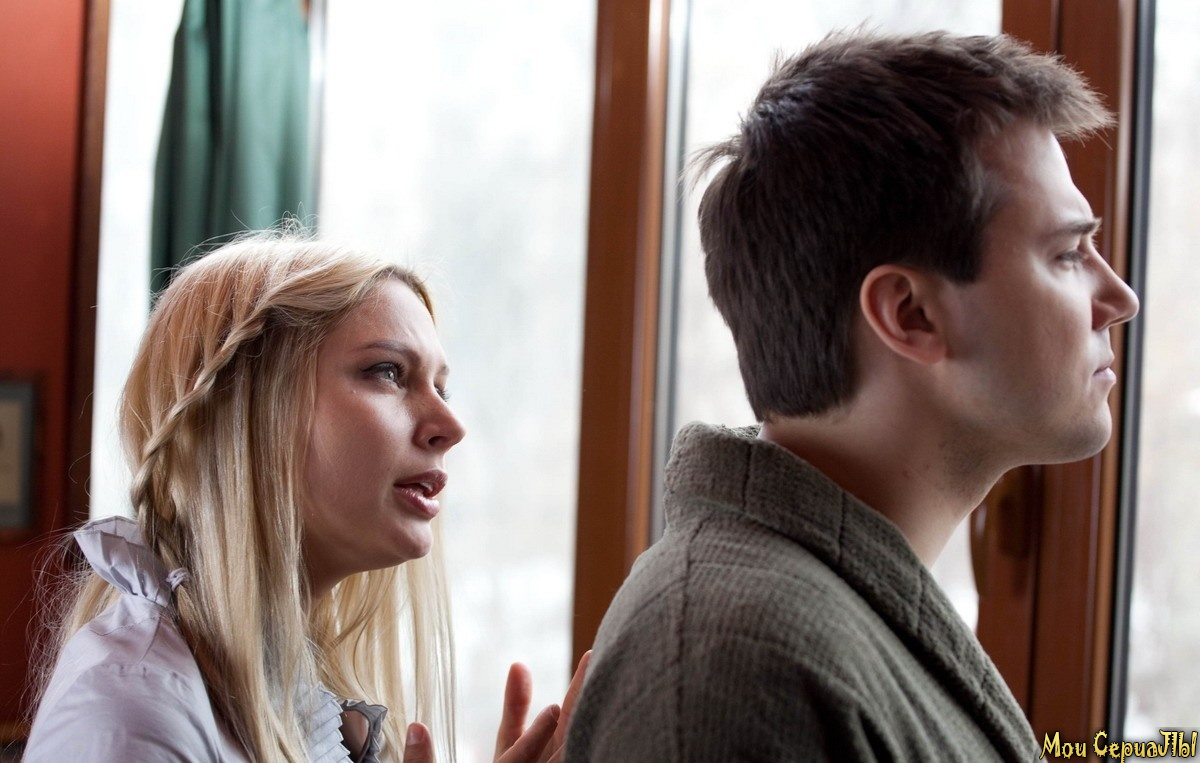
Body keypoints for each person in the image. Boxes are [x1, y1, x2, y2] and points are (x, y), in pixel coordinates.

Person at [566, 30, 1139, 761]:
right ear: (911, 314)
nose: (1119, 298)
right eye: (1066, 253)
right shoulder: (737, 673)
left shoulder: (796, 625)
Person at [25, 234, 586, 762]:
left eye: (442, 387)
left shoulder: (294, 697)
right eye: (388, 372)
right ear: (242, 411)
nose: (451, 425)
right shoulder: (128, 717)